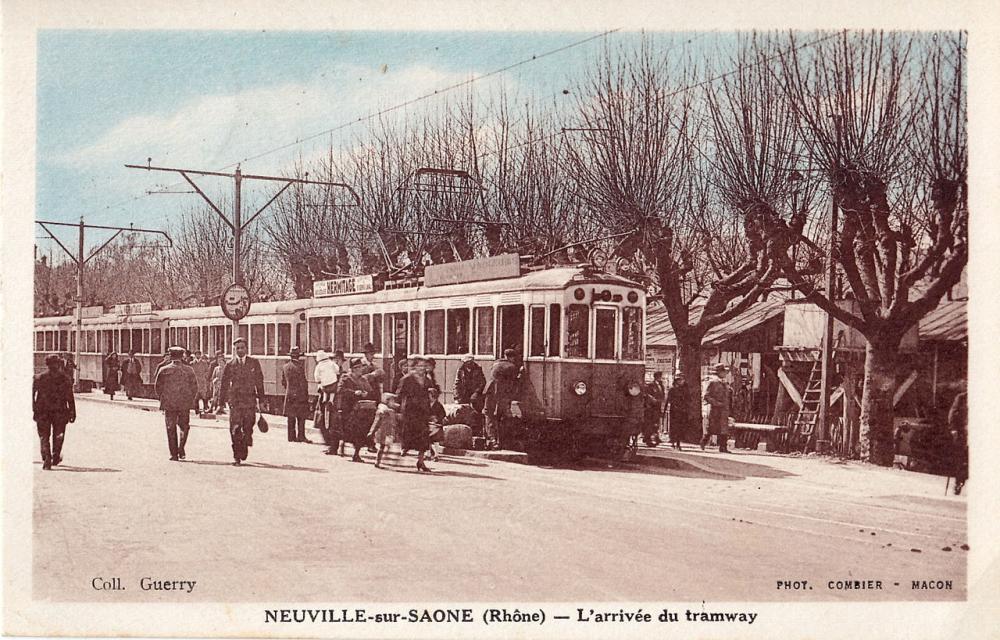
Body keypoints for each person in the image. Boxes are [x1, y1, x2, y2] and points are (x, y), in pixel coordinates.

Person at [218, 337, 266, 466]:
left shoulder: (254, 363)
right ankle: (237, 456)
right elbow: (224, 384)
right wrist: (220, 403)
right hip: (235, 402)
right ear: (234, 350)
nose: (240, 350)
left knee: (248, 426)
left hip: (250, 401)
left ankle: (246, 442)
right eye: (237, 348)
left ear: (247, 349)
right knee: (235, 428)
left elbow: (259, 382)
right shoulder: (230, 365)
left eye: (242, 348)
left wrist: (261, 400)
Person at [154, 346, 199, 461]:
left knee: (170, 427)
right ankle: (181, 448)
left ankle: (174, 454)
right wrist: (190, 400)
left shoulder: (163, 370)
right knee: (184, 427)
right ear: (182, 355)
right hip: (184, 403)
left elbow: (158, 387)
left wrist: (163, 399)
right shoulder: (189, 370)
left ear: (170, 355)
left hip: (169, 404)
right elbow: (195, 387)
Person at [33, 354, 76, 469]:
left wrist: (34, 409)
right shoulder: (65, 378)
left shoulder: (39, 378)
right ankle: (55, 455)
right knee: (59, 434)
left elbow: (32, 396)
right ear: (57, 364)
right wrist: (72, 411)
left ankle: (47, 457)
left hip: (43, 411)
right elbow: (70, 397)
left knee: (44, 435)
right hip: (60, 411)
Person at [398, 354, 434, 472]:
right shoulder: (407, 379)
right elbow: (399, 394)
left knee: (424, 436)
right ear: (414, 367)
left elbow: (431, 394)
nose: (422, 368)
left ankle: (421, 461)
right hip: (410, 411)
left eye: (424, 366)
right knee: (409, 433)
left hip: (423, 411)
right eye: (419, 366)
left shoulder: (427, 380)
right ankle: (404, 448)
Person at [336, 358, 374, 462]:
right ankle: (342, 443)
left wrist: (366, 393)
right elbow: (340, 390)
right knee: (349, 431)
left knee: (360, 432)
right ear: (353, 369)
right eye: (359, 368)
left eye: (362, 367)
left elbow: (370, 391)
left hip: (361, 410)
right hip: (348, 408)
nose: (361, 369)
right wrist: (353, 393)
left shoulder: (363, 379)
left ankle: (356, 454)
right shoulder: (346, 378)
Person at [483, 348, 520, 450]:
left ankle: (491, 439)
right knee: (502, 416)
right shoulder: (512, 367)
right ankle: (501, 441)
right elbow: (514, 382)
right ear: (512, 357)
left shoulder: (496, 363)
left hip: (490, 391)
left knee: (488, 414)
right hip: (502, 393)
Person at [313, 349, 340, 455]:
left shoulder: (319, 366)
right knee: (332, 393)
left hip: (324, 386)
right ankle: (330, 400)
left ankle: (326, 399)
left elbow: (316, 376)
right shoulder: (332, 365)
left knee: (325, 393)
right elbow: (337, 370)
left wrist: (319, 382)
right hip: (333, 384)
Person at [281, 347, 311, 443]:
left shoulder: (285, 367)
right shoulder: (300, 367)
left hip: (289, 395)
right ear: (298, 356)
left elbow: (283, 382)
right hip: (300, 395)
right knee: (301, 417)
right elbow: (303, 382)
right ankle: (301, 436)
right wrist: (305, 394)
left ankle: (291, 437)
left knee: (291, 417)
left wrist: (289, 390)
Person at [701, 363, 731, 453]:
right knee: (712, 428)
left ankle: (723, 447)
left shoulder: (724, 383)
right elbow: (706, 396)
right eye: (724, 372)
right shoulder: (712, 382)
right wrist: (716, 403)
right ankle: (704, 441)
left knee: (724, 429)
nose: (725, 373)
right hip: (716, 410)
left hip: (724, 410)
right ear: (719, 372)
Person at [367, 393, 400, 469]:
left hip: (388, 431)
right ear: (387, 401)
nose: (394, 403)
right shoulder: (383, 411)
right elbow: (376, 422)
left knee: (386, 445)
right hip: (382, 431)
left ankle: (381, 460)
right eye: (392, 401)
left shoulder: (390, 411)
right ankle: (377, 462)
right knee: (382, 446)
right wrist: (372, 431)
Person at [948, 390, 968, 495]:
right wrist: (953, 429)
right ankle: (958, 482)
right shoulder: (962, 398)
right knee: (961, 459)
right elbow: (952, 413)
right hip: (963, 433)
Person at [667, 372, 692, 450]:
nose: (681, 381)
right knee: (675, 427)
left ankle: (678, 441)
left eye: (682, 380)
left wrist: (686, 406)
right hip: (675, 411)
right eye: (679, 380)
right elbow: (669, 399)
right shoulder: (672, 389)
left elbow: (689, 399)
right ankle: (674, 441)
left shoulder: (685, 389)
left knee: (681, 427)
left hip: (683, 411)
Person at [642, 373, 666, 447]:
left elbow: (662, 395)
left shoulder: (661, 385)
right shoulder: (651, 385)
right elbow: (647, 395)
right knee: (650, 423)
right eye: (660, 377)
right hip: (651, 407)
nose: (660, 378)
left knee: (656, 423)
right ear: (656, 377)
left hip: (658, 407)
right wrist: (653, 400)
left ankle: (656, 437)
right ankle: (648, 438)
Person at [426, 386, 446, 461]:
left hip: (436, 425)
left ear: (434, 396)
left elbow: (443, 414)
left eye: (429, 396)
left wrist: (437, 418)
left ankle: (436, 455)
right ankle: (428, 454)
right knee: (427, 440)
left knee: (436, 441)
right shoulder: (427, 404)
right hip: (429, 424)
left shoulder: (439, 405)